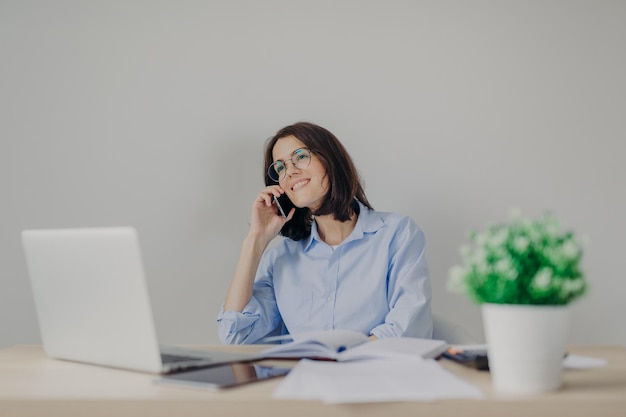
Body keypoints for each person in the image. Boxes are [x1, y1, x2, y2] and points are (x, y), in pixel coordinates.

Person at [217, 122, 432, 344]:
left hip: (372, 374)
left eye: (300, 156)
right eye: (280, 168)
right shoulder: (280, 260)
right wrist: (255, 240)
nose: (290, 171)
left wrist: (340, 361)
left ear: (330, 160)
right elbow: (234, 335)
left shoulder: (397, 234)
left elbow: (408, 328)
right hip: (302, 377)